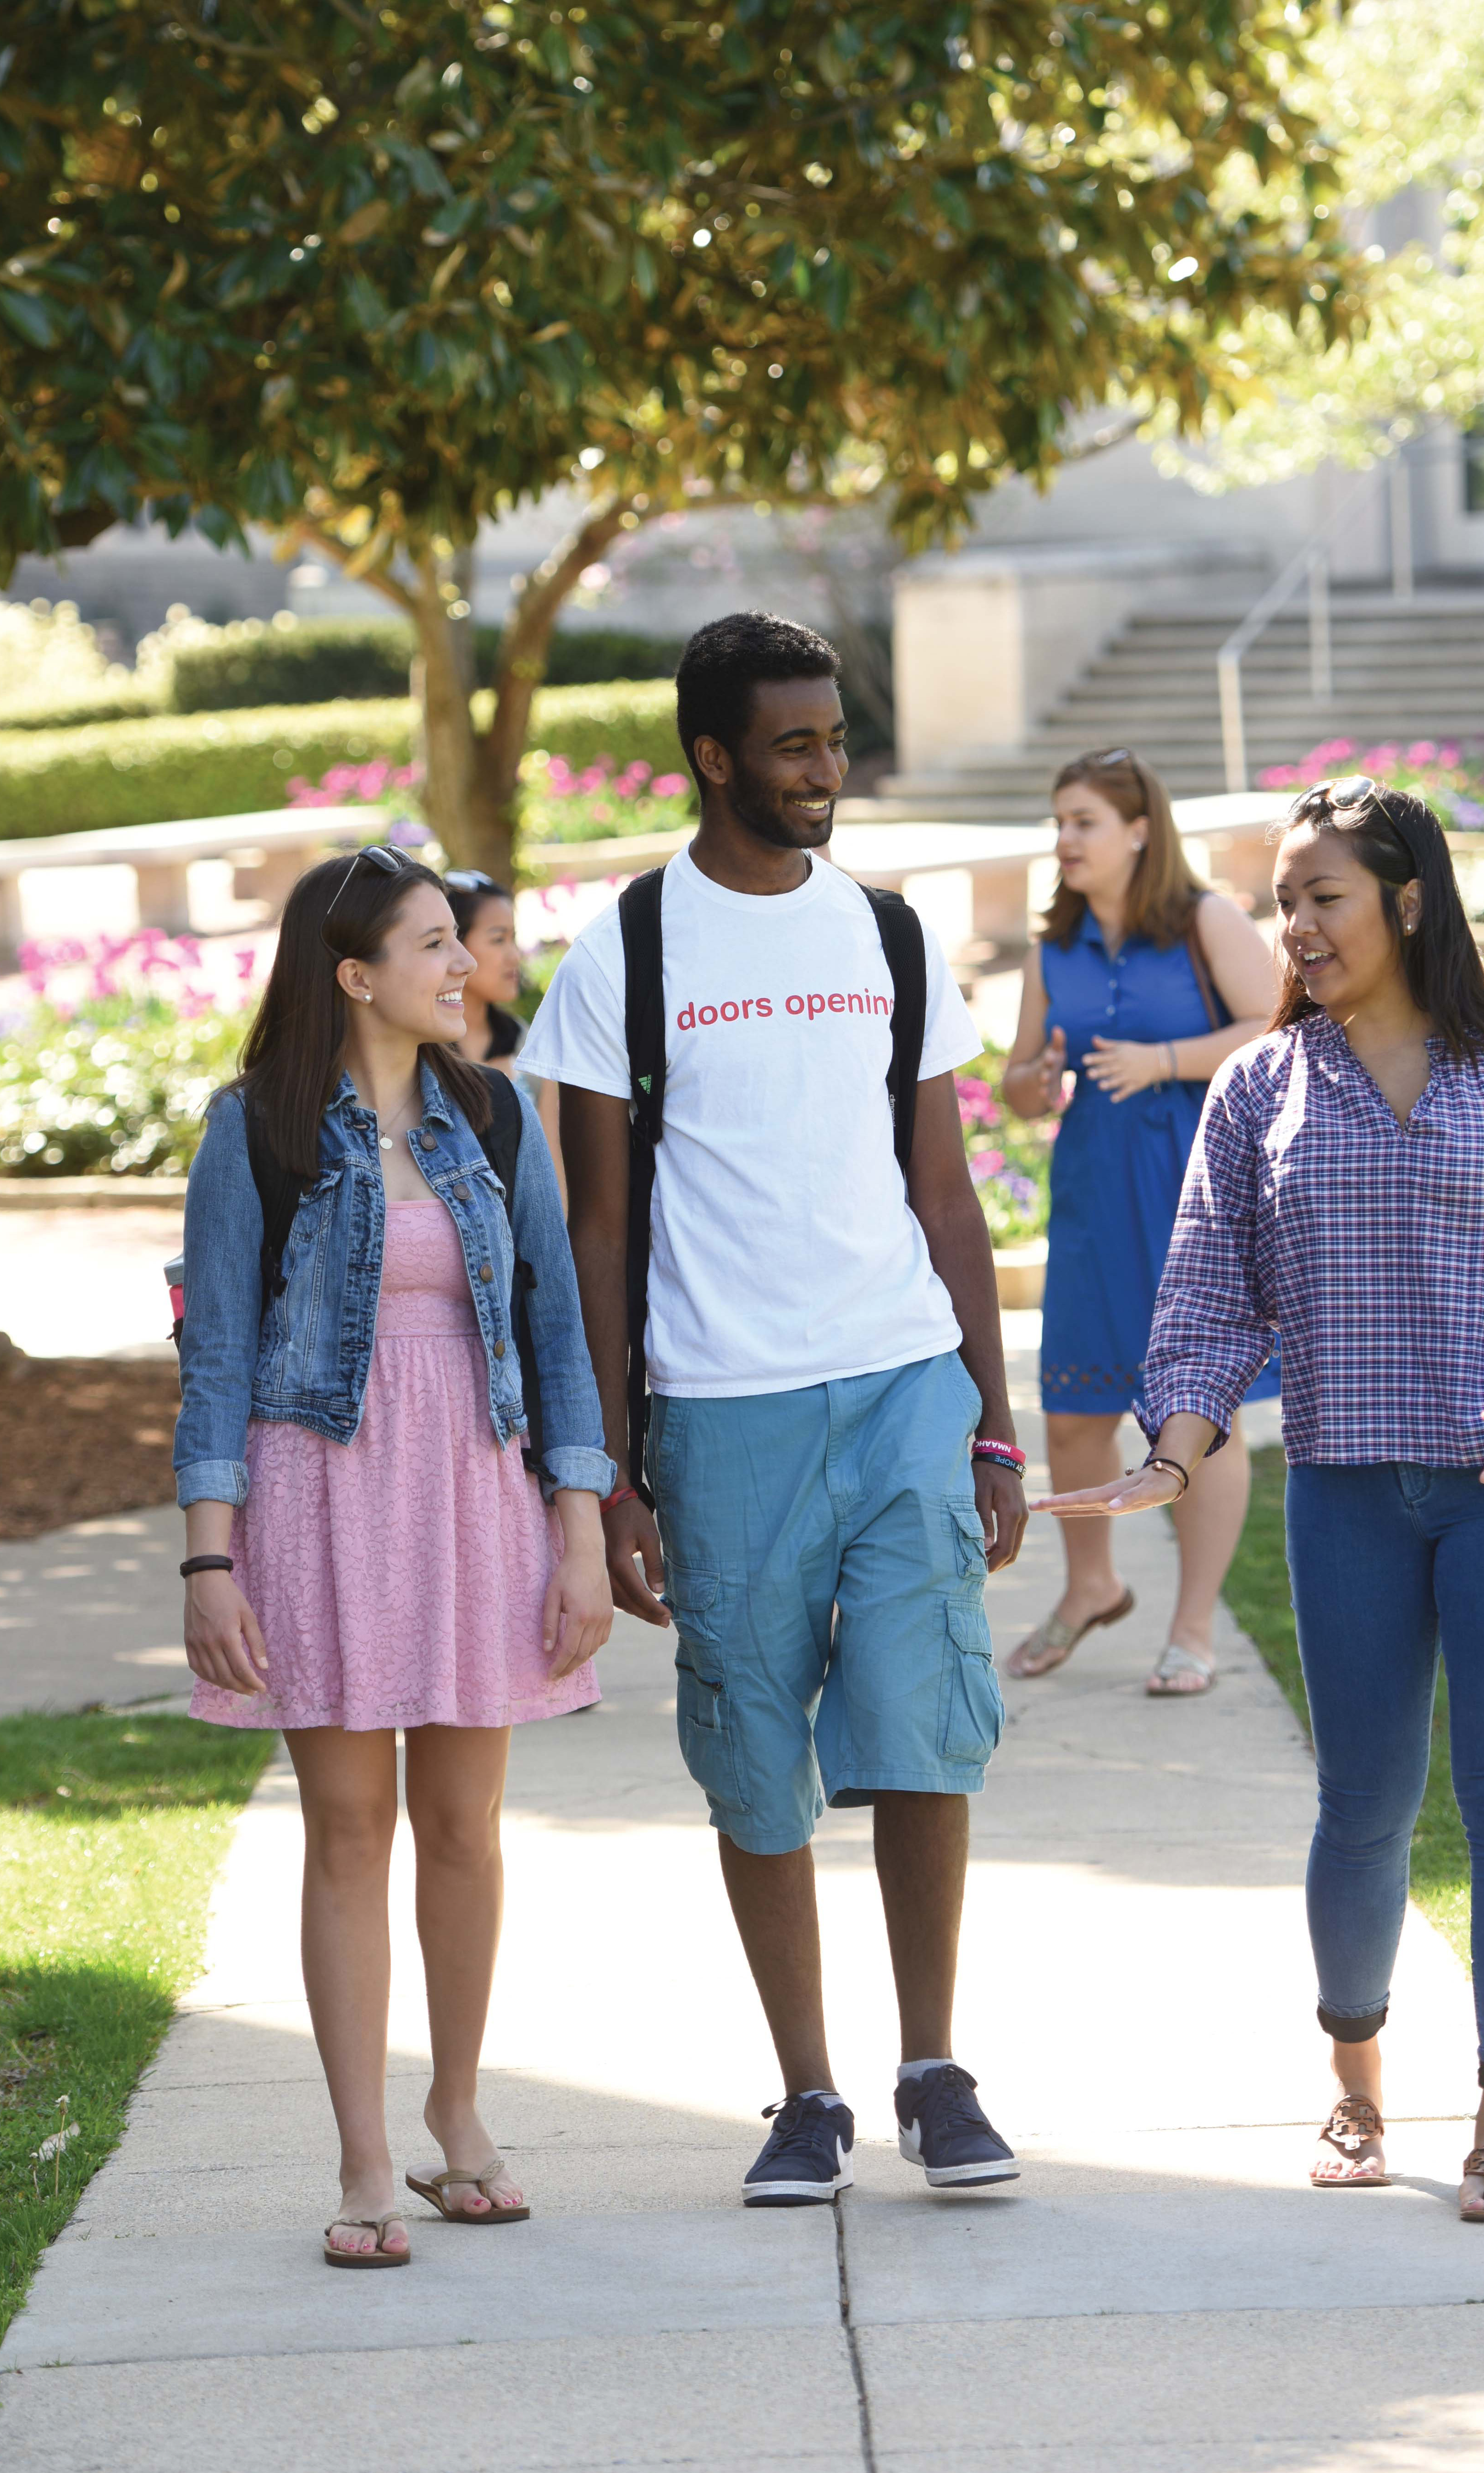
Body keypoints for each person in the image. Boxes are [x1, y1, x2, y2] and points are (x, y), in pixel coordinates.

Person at [1034, 777, 1484, 2224]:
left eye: (1322, 897)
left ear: (1406, 902)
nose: (1292, 927)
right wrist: (1171, 1454)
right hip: (1349, 1489)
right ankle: (1356, 2090)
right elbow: (1200, 1307)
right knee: (1360, 1805)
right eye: (1281, 900)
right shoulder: (1258, 1086)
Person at [521, 611, 1031, 2210]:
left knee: (923, 1725)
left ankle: (934, 2069)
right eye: (795, 743)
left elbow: (946, 1195)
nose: (827, 770)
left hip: (898, 1385)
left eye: (835, 738)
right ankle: (807, 2089)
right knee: (753, 1753)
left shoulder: (885, 934)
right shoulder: (630, 950)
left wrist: (991, 1420)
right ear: (714, 755)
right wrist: (604, 1476)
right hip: (719, 1410)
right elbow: (596, 1230)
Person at [173, 845, 616, 2268]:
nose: (463, 965)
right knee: (350, 1829)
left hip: (473, 1489)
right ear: (356, 973)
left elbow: (556, 1329)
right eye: (434, 944)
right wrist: (209, 1558)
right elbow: (219, 1352)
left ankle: (459, 2110)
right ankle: (364, 2156)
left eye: (458, 942)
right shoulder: (258, 1129)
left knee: (467, 1827)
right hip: (319, 1494)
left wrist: (580, 1524)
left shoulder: (490, 1115)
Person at [999, 747, 1277, 1696]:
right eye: (1058, 821)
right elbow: (1018, 1079)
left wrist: (1165, 1061)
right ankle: (1090, 1588)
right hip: (1090, 1195)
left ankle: (1191, 1627)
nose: (1064, 839)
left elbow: (1275, 1028)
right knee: (1073, 1414)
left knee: (1202, 1417)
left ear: (1137, 831)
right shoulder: (1051, 946)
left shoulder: (1203, 921)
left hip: (1193, 1194)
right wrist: (1032, 1086)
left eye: (1082, 821)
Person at [442, 865, 565, 1170]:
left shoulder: (528, 1043)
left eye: (514, 938)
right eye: (498, 940)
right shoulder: (419, 1050)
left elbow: (553, 1171)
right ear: (454, 946)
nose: (514, 956)